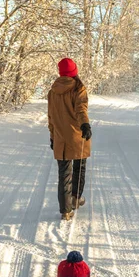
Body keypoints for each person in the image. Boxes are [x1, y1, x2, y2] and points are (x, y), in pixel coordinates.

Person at [48, 58, 92, 221]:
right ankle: (76, 198)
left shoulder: (53, 91)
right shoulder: (78, 88)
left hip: (61, 138)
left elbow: (51, 117)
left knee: (63, 174)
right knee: (79, 169)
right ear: (74, 71)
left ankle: (65, 211)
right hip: (78, 136)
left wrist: (52, 136)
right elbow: (81, 109)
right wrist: (85, 125)